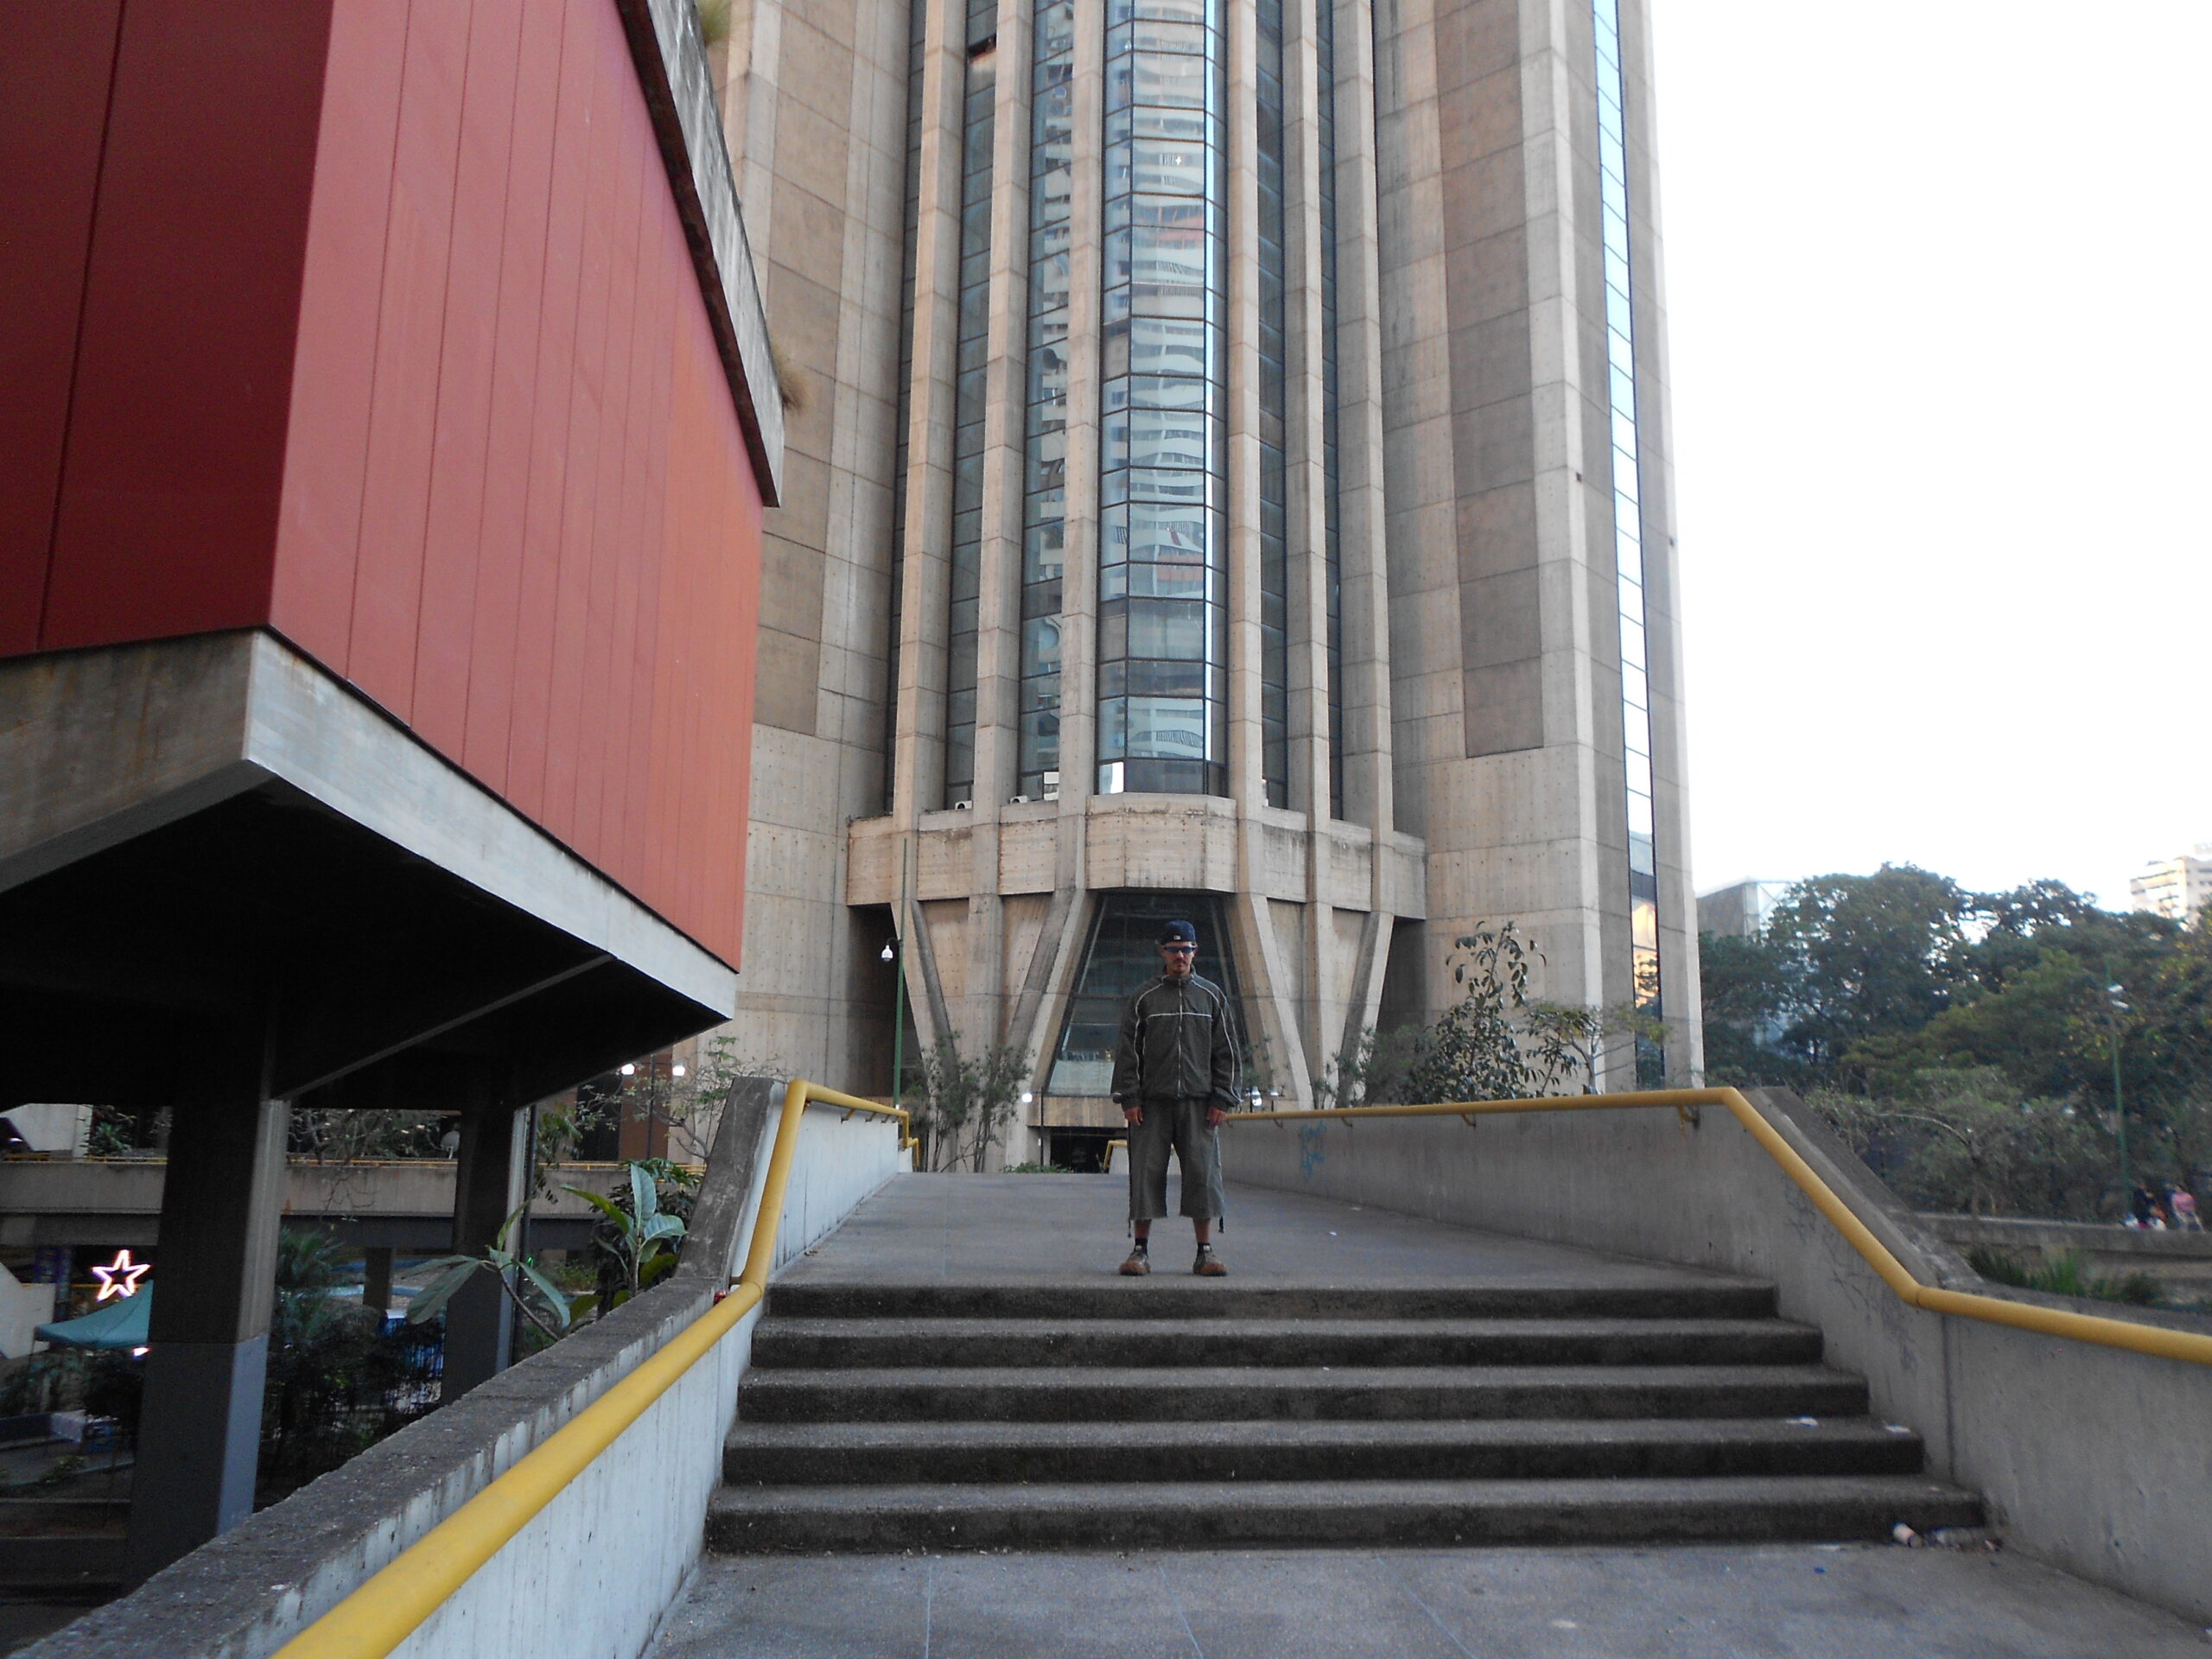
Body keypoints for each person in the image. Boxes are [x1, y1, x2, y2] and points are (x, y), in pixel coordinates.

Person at [1111, 919, 1238, 1277]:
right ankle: (1140, 1251)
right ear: (1162, 952)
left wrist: (1223, 1098)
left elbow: (1226, 1052)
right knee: (1145, 1174)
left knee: (1203, 1175)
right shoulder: (1144, 998)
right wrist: (1129, 1097)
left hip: (1200, 1104)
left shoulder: (1211, 996)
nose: (1180, 956)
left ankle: (1205, 1252)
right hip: (1151, 1104)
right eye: (1173, 949)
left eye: (1186, 949)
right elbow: (1127, 1051)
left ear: (1195, 951)